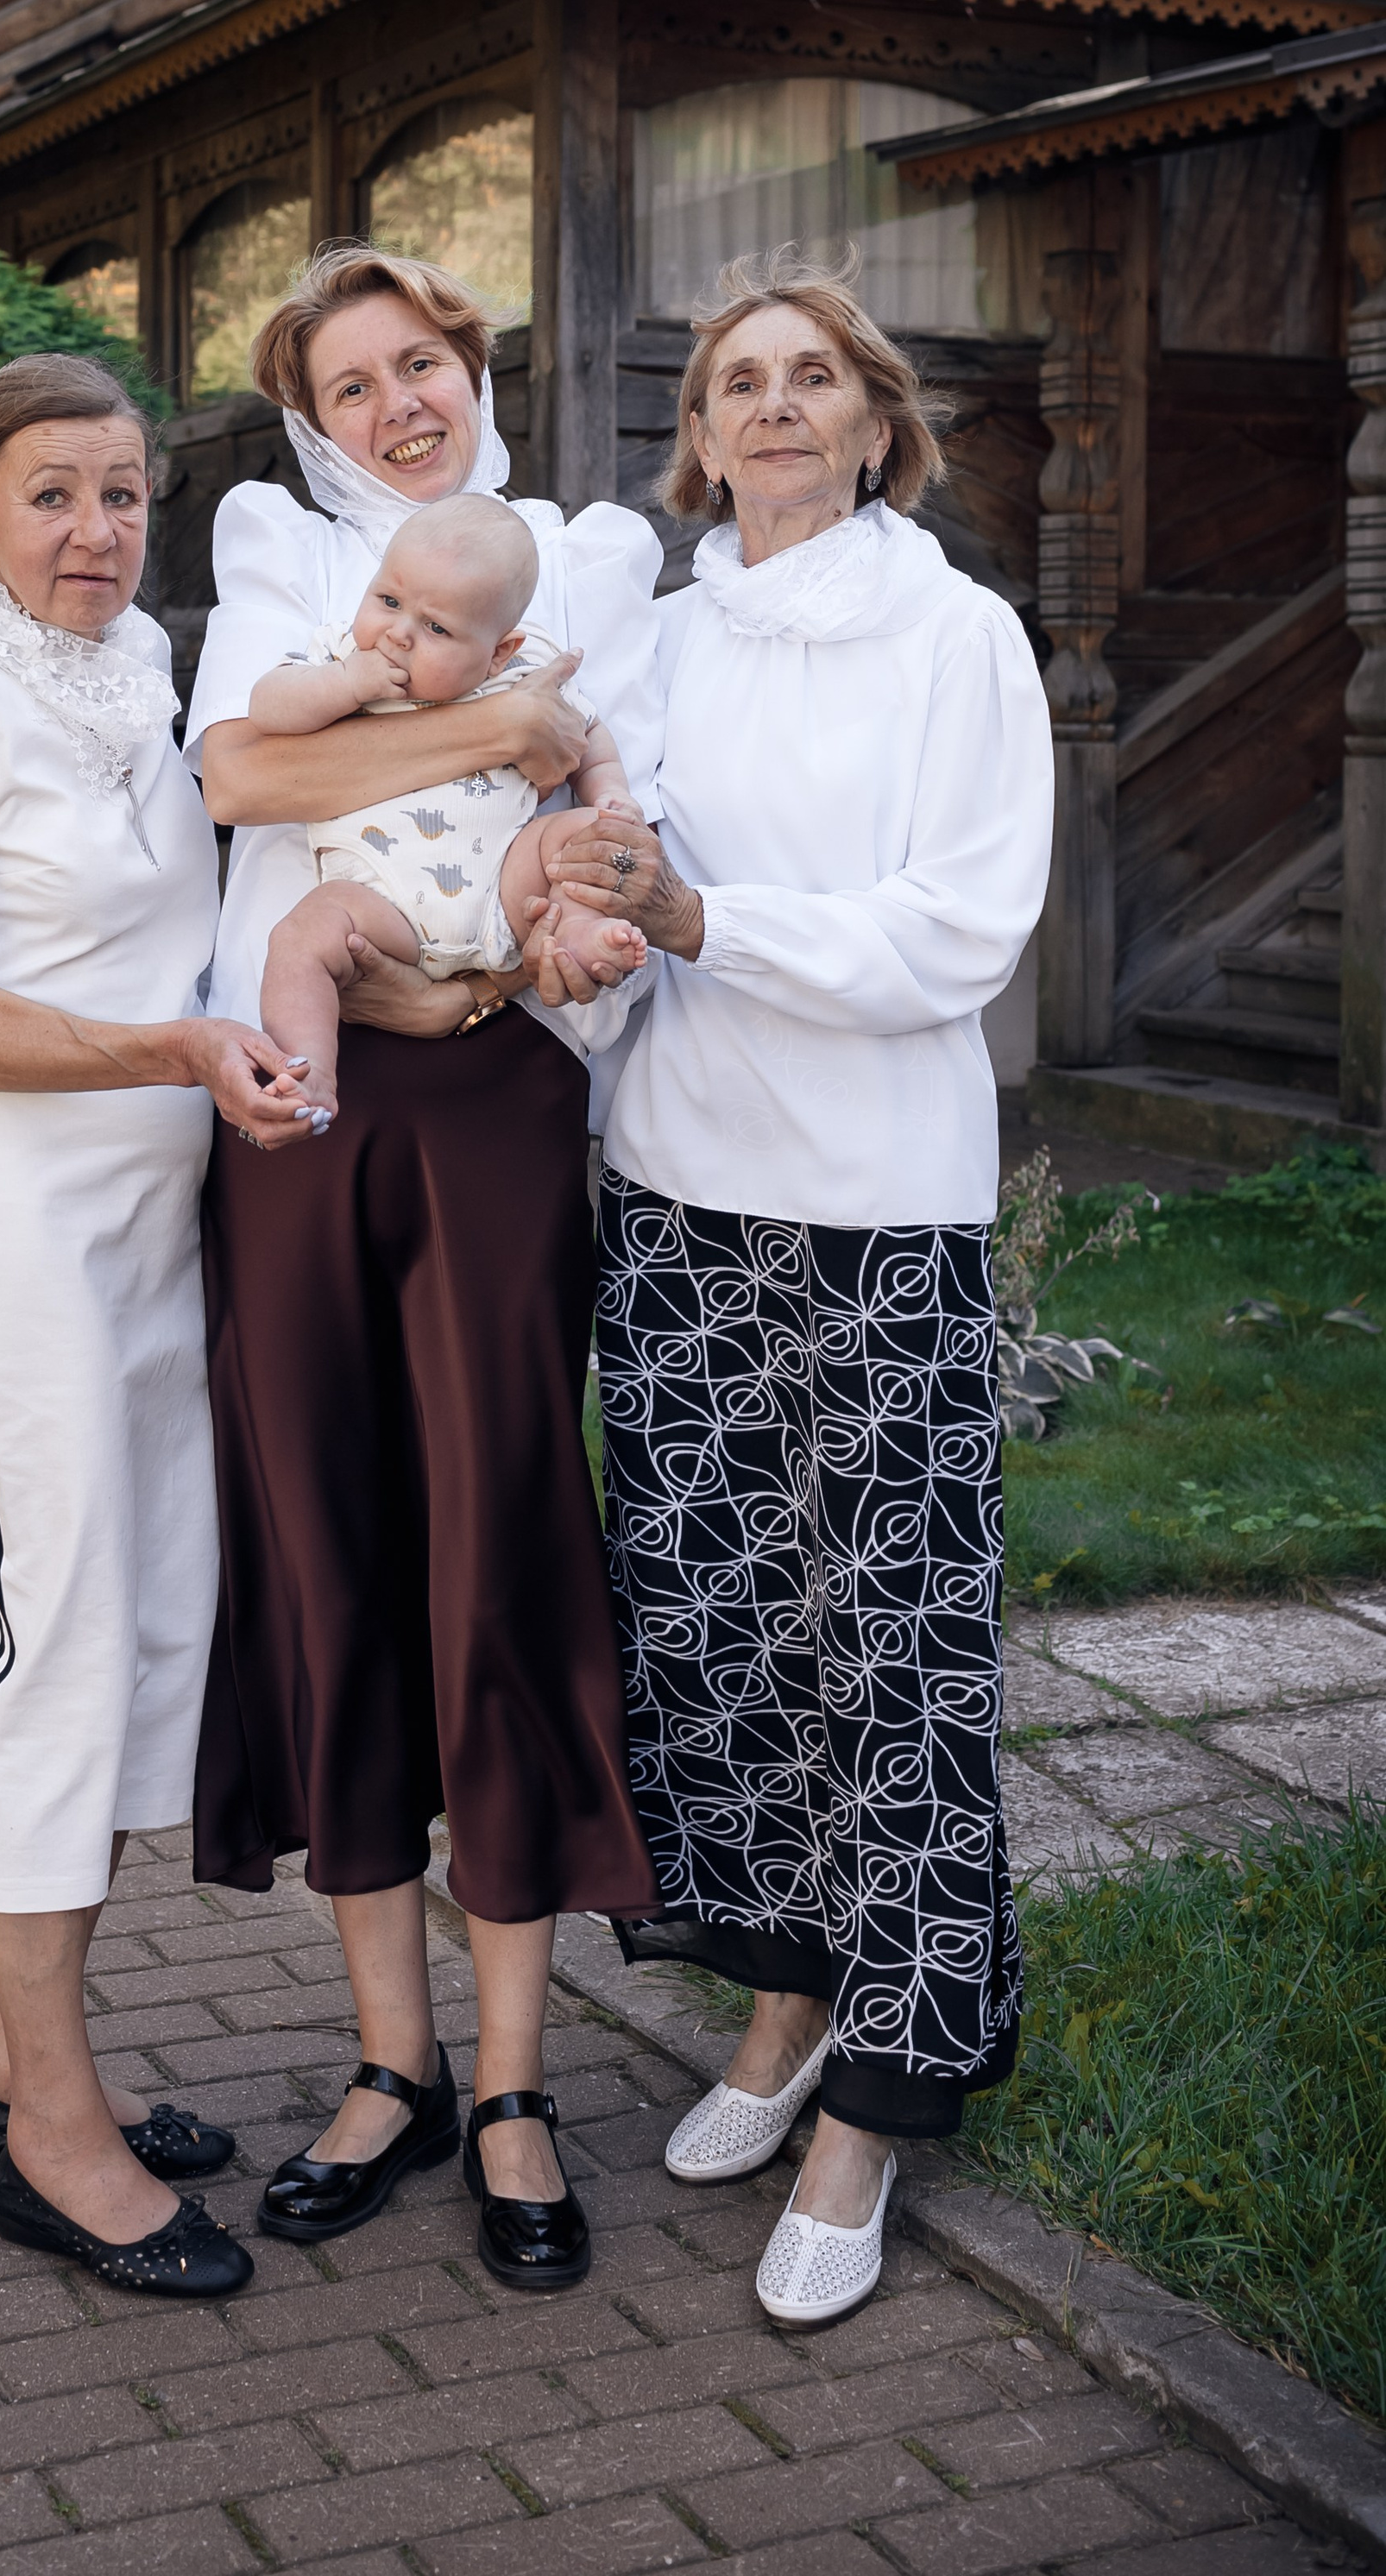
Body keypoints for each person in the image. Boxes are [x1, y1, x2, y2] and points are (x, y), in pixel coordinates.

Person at [543, 251, 1052, 2331]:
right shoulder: (652, 646)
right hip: (671, 1200)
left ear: (869, 417)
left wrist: (699, 915)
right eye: (732, 380)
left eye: (805, 377)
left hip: (874, 1214)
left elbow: (958, 932)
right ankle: (775, 2006)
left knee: (896, 1663)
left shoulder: (956, 637)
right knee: (725, 1641)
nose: (765, 406)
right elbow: (595, 865)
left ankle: (881, 2091)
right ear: (696, 432)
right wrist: (576, 950)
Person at [188, 239, 663, 2296]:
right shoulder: (271, 550)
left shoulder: (590, 548)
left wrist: (454, 733)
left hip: (488, 1099)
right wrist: (478, 710)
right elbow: (235, 776)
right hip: (301, 1103)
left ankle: (513, 2082)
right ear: (309, 416)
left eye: (420, 362)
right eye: (349, 382)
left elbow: (587, 787)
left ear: (470, 362)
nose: (396, 404)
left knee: (496, 1546)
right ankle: (384, 2060)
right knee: (332, 1545)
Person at [0, 351, 318, 2302]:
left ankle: (7, 2055)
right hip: (40, 1233)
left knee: (151, 1625)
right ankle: (52, 2129)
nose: (94, 531)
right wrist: (173, 1045)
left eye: (123, 493)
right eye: (51, 493)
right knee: (54, 1640)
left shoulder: (141, 672)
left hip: (172, 1224)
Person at [252, 489, 650, 1118]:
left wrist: (612, 797)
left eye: (436, 627)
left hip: (506, 890)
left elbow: (589, 734)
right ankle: (308, 1070)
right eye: (388, 601)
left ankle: (573, 933)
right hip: (379, 903)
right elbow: (266, 706)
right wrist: (344, 683)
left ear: (499, 651)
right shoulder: (340, 657)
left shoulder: (527, 675)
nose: (399, 635)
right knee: (300, 936)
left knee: (584, 837)